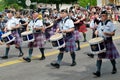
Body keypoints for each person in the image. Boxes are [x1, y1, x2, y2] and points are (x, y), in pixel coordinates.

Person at [93, 10, 119, 77]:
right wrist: (96, 32)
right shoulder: (100, 23)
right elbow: (97, 30)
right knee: (99, 57)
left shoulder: (110, 23)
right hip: (101, 42)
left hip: (108, 41)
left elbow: (113, 33)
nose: (102, 17)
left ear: (107, 16)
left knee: (111, 57)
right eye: (101, 16)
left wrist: (107, 33)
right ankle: (98, 71)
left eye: (104, 16)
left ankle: (114, 67)